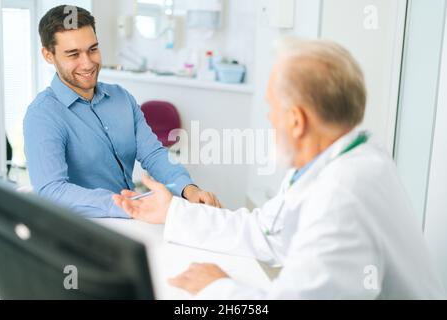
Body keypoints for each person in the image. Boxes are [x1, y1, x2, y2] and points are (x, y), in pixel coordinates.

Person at [114, 37, 445, 299]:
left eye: (272, 108)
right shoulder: (343, 162)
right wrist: (173, 212)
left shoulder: (344, 194)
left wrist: (217, 287)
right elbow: (266, 232)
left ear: (297, 120)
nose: (270, 119)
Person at [24, 6, 221, 218]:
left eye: (93, 49)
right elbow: (52, 190)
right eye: (73, 54)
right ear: (48, 55)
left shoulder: (121, 98)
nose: (88, 63)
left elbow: (153, 153)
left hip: (131, 219)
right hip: (85, 227)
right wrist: (125, 206)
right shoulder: (43, 115)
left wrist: (188, 189)